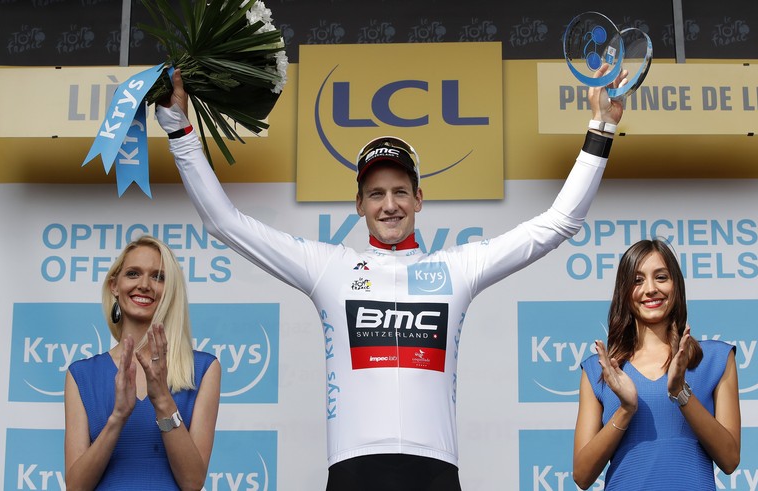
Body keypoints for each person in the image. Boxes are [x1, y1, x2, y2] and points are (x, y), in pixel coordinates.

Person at [155, 63, 624, 490]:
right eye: (376, 193)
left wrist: (601, 128)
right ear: (359, 205)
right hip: (353, 470)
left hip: (436, 471)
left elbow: (559, 223)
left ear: (419, 199)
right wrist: (180, 130)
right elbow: (225, 223)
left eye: (401, 191)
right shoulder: (330, 269)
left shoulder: (454, 268)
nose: (390, 205)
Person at [573, 239, 741, 490]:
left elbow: (729, 460)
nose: (650, 289)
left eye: (661, 277)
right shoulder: (599, 370)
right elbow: (582, 475)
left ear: (676, 286)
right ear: (624, 291)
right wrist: (626, 409)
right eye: (638, 280)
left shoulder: (716, 359)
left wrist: (680, 393)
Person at [64, 235, 221, 490]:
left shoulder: (203, 369)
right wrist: (117, 418)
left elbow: (193, 482)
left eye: (158, 277)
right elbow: (76, 486)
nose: (145, 285)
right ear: (114, 285)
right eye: (133, 274)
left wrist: (162, 400)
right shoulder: (80, 375)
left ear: (170, 290)